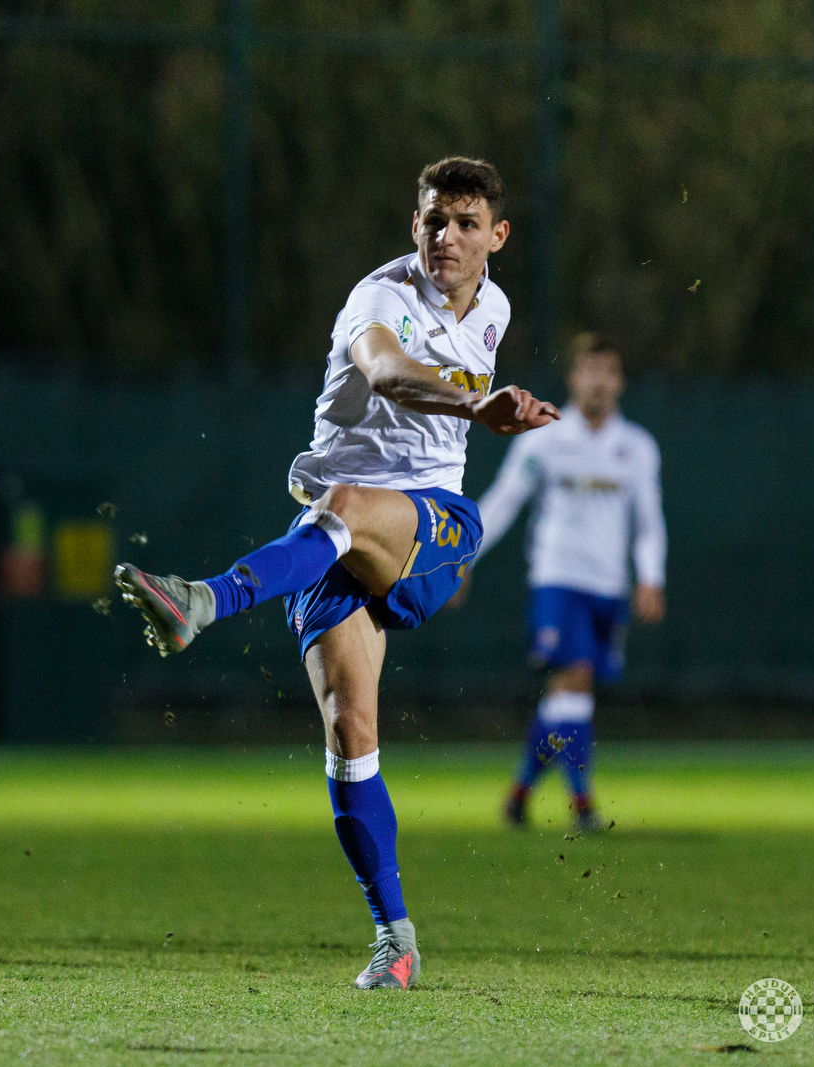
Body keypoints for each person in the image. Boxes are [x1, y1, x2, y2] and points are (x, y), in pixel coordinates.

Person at [114, 157, 558, 990]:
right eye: (433, 219)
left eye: (465, 223)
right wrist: (477, 405)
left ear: (497, 236)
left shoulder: (491, 305)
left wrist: (473, 414)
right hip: (334, 533)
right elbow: (385, 370)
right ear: (412, 225)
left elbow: (412, 425)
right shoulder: (379, 296)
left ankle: (205, 599)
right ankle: (396, 940)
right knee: (351, 735)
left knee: (351, 499)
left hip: (431, 525)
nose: (445, 236)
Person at [458, 333, 666, 832]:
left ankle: (518, 794)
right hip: (558, 580)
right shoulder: (545, 440)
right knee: (573, 680)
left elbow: (648, 520)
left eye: (608, 371)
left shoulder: (636, 447)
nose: (598, 381)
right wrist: (463, 558)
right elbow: (503, 501)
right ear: (573, 379)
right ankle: (584, 803)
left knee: (569, 698)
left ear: (619, 382)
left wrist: (650, 578)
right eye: (588, 370)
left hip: (609, 587)